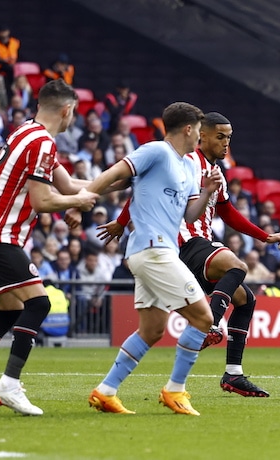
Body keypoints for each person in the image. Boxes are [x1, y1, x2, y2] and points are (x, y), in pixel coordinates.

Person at [98, 112, 280, 397]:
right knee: (235, 266)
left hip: (197, 245)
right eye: (220, 137)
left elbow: (228, 213)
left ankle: (233, 375)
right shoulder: (185, 161)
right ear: (203, 136)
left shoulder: (216, 173)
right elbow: (143, 188)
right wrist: (121, 221)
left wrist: (264, 236)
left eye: (229, 138)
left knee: (245, 299)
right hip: (181, 241)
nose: (226, 144)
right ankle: (209, 324)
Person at [0, 79, 98, 417]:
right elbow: (43, 201)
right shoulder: (43, 143)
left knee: (11, 311)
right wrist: (76, 201)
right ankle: (9, 385)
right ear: (67, 110)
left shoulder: (25, 132)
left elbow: (71, 185)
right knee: (40, 303)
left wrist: (119, 182)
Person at [85, 101, 221, 416]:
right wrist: (83, 199)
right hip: (151, 249)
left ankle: (105, 391)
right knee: (203, 318)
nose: (200, 137)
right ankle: (175, 390)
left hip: (158, 252)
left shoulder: (188, 166)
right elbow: (116, 173)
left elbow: (190, 215)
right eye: (199, 130)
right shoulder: (156, 151)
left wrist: (206, 192)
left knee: (152, 330)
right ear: (188, 128)